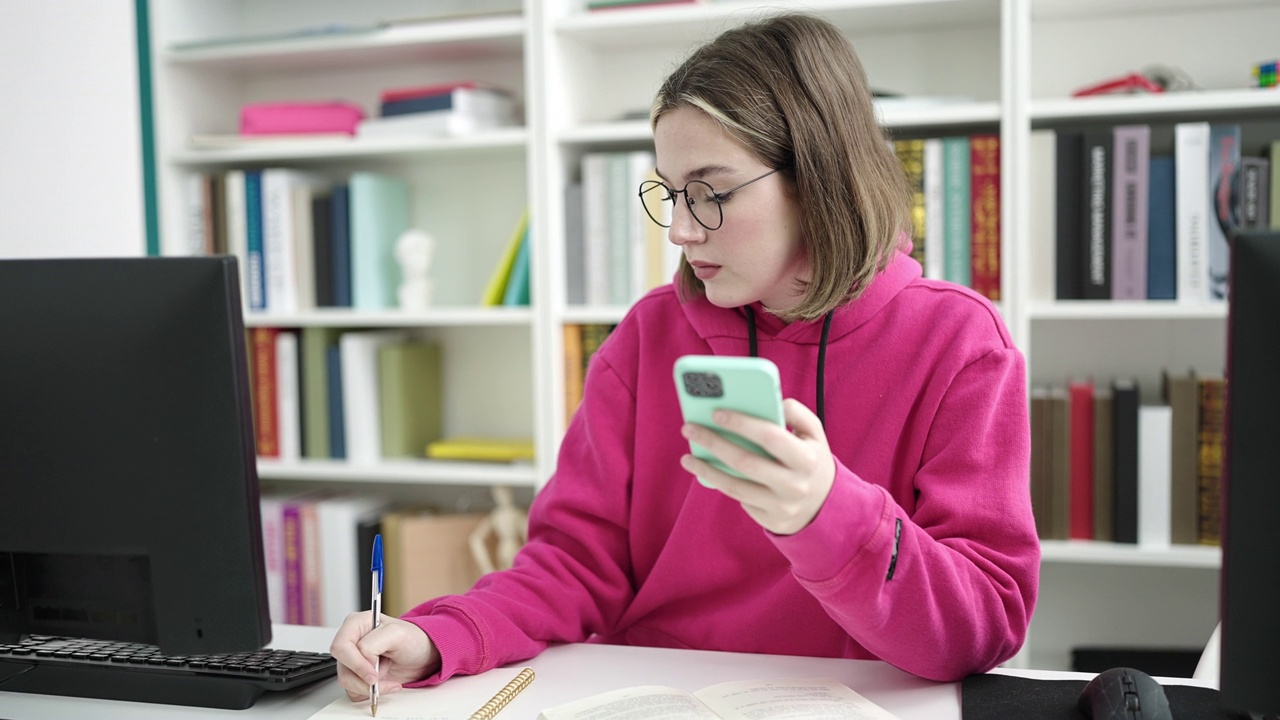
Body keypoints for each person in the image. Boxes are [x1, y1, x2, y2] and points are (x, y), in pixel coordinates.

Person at [330, 11, 1039, 699]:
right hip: (652, 695)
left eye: (708, 192)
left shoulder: (961, 344)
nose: (678, 230)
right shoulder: (646, 338)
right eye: (671, 194)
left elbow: (983, 628)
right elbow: (574, 565)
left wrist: (829, 513)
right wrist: (437, 638)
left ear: (817, 177)